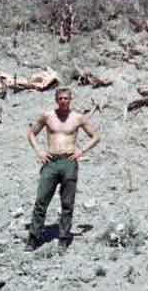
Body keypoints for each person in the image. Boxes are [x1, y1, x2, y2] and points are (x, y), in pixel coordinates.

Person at [26, 88, 101, 252]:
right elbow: (31, 134)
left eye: (66, 98)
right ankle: (33, 238)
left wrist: (81, 151)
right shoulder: (48, 116)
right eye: (60, 98)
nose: (63, 101)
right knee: (41, 200)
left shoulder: (77, 118)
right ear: (56, 100)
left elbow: (96, 136)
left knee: (67, 203)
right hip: (51, 161)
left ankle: (64, 238)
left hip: (69, 161)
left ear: (70, 100)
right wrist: (40, 151)